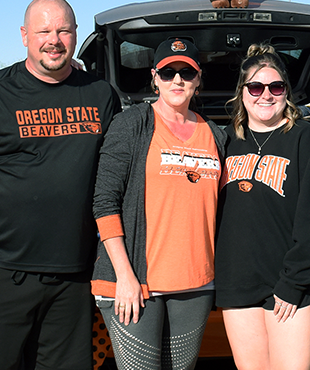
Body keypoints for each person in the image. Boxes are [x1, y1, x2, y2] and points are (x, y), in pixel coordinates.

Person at [0, 0, 121, 370]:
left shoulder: (101, 94)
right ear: (25, 35)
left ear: (75, 35)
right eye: (43, 31)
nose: (53, 39)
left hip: (73, 277)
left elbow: (114, 180)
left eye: (63, 30)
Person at [92, 38, 230, 370]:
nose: (177, 80)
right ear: (155, 77)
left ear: (198, 80)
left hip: (196, 285)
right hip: (135, 283)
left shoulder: (215, 135)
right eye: (168, 73)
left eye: (186, 72)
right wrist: (125, 275)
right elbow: (104, 202)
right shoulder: (132, 124)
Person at [215, 44, 310, 370]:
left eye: (276, 87)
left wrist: (293, 283)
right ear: (242, 93)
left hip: (293, 284)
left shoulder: (306, 139)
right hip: (238, 283)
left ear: (287, 92)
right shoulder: (223, 141)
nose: (265, 95)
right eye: (256, 87)